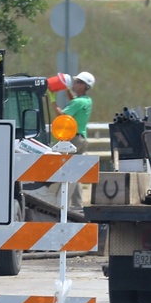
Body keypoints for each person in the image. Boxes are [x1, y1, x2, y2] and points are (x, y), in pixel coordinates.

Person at [55, 71, 95, 209]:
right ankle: (77, 205)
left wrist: (52, 100)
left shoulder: (78, 102)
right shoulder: (86, 101)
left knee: (62, 169)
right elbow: (74, 101)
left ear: (84, 86)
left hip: (73, 139)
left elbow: (62, 115)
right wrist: (67, 90)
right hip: (81, 139)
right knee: (73, 172)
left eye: (78, 82)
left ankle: (61, 202)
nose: (75, 84)